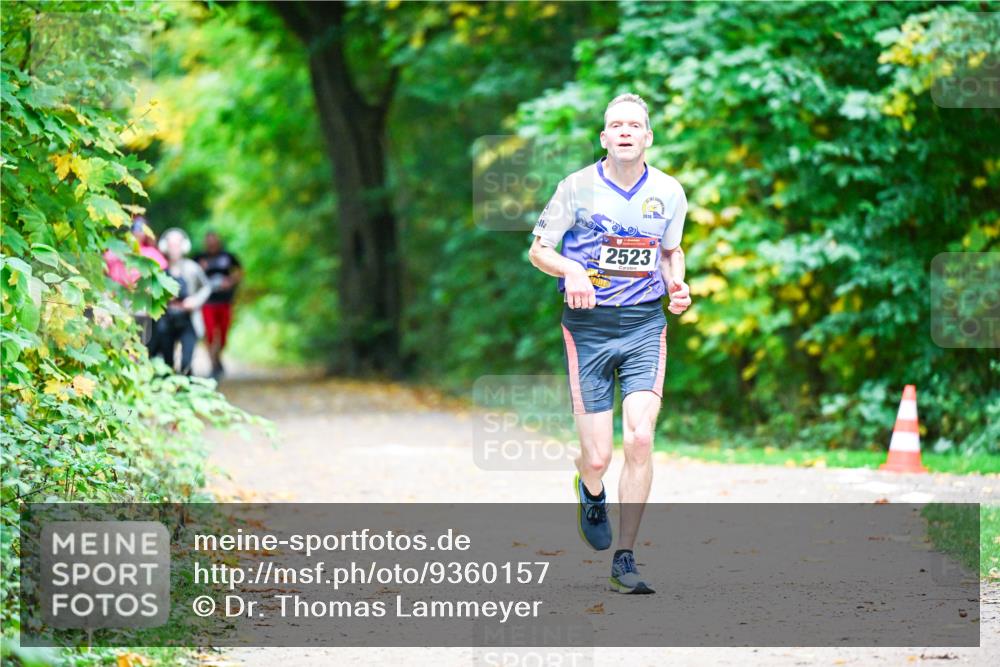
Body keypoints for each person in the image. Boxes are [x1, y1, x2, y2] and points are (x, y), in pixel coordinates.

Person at [527, 93, 692, 595]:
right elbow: (539, 251)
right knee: (597, 457)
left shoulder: (669, 191)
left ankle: (625, 558)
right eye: (615, 125)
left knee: (640, 438)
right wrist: (573, 269)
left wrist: (677, 283)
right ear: (604, 137)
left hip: (644, 324)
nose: (624, 131)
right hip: (588, 328)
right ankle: (590, 488)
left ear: (647, 137)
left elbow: (671, 251)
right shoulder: (575, 187)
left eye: (633, 125)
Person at [151, 228, 211, 375]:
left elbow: (206, 287)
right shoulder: (159, 269)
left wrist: (195, 301)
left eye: (177, 245)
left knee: (186, 364)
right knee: (167, 364)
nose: (174, 249)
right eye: (171, 245)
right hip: (166, 321)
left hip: (188, 320)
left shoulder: (192, 268)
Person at [194, 231, 242, 379]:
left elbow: (239, 272)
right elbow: (190, 275)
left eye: (214, 241)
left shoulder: (227, 257)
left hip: (225, 301)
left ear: (219, 242)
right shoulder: (199, 258)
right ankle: (213, 364)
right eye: (209, 242)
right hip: (207, 302)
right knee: (209, 333)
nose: (212, 244)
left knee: (223, 334)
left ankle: (217, 357)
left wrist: (230, 281)